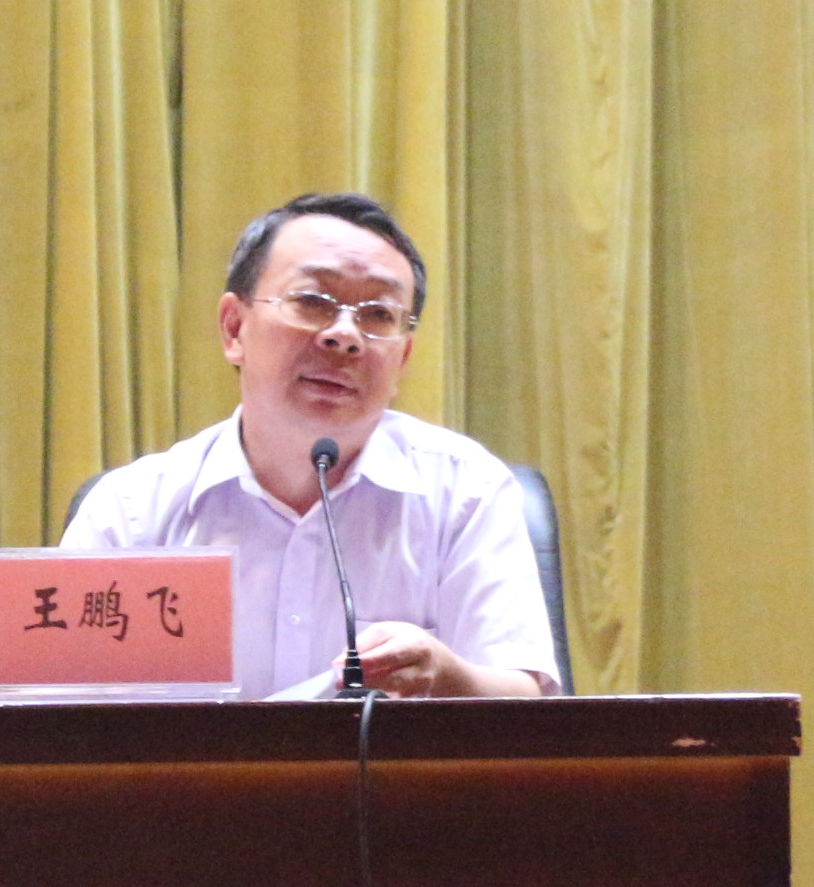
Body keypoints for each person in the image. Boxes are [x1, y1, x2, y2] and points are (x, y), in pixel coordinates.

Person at [62, 193, 561, 699]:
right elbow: (56, 719)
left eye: (378, 314)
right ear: (234, 328)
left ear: (403, 357)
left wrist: (447, 676)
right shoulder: (131, 513)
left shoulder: (465, 492)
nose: (345, 335)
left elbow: (526, 701)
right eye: (312, 302)